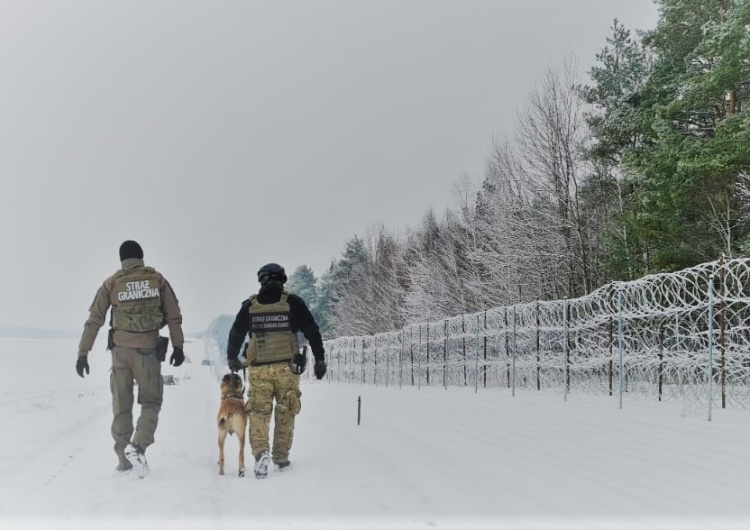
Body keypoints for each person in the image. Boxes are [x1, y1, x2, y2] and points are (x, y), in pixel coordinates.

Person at [76, 240, 185, 475]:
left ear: (121, 259)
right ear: (141, 257)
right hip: (148, 352)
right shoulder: (158, 280)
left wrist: (83, 353)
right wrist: (178, 347)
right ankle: (138, 446)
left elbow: (95, 319)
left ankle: (123, 460)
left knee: (121, 406)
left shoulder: (112, 282)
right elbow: (174, 316)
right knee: (151, 402)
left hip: (120, 354)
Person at [226, 262, 327, 479]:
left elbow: (236, 333)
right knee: (286, 411)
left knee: (259, 414)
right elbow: (312, 331)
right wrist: (320, 360)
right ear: (282, 280)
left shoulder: (250, 306)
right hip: (287, 369)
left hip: (259, 371)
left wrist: (232, 358)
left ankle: (261, 453)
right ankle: (281, 459)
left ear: (261, 280)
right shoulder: (292, 303)